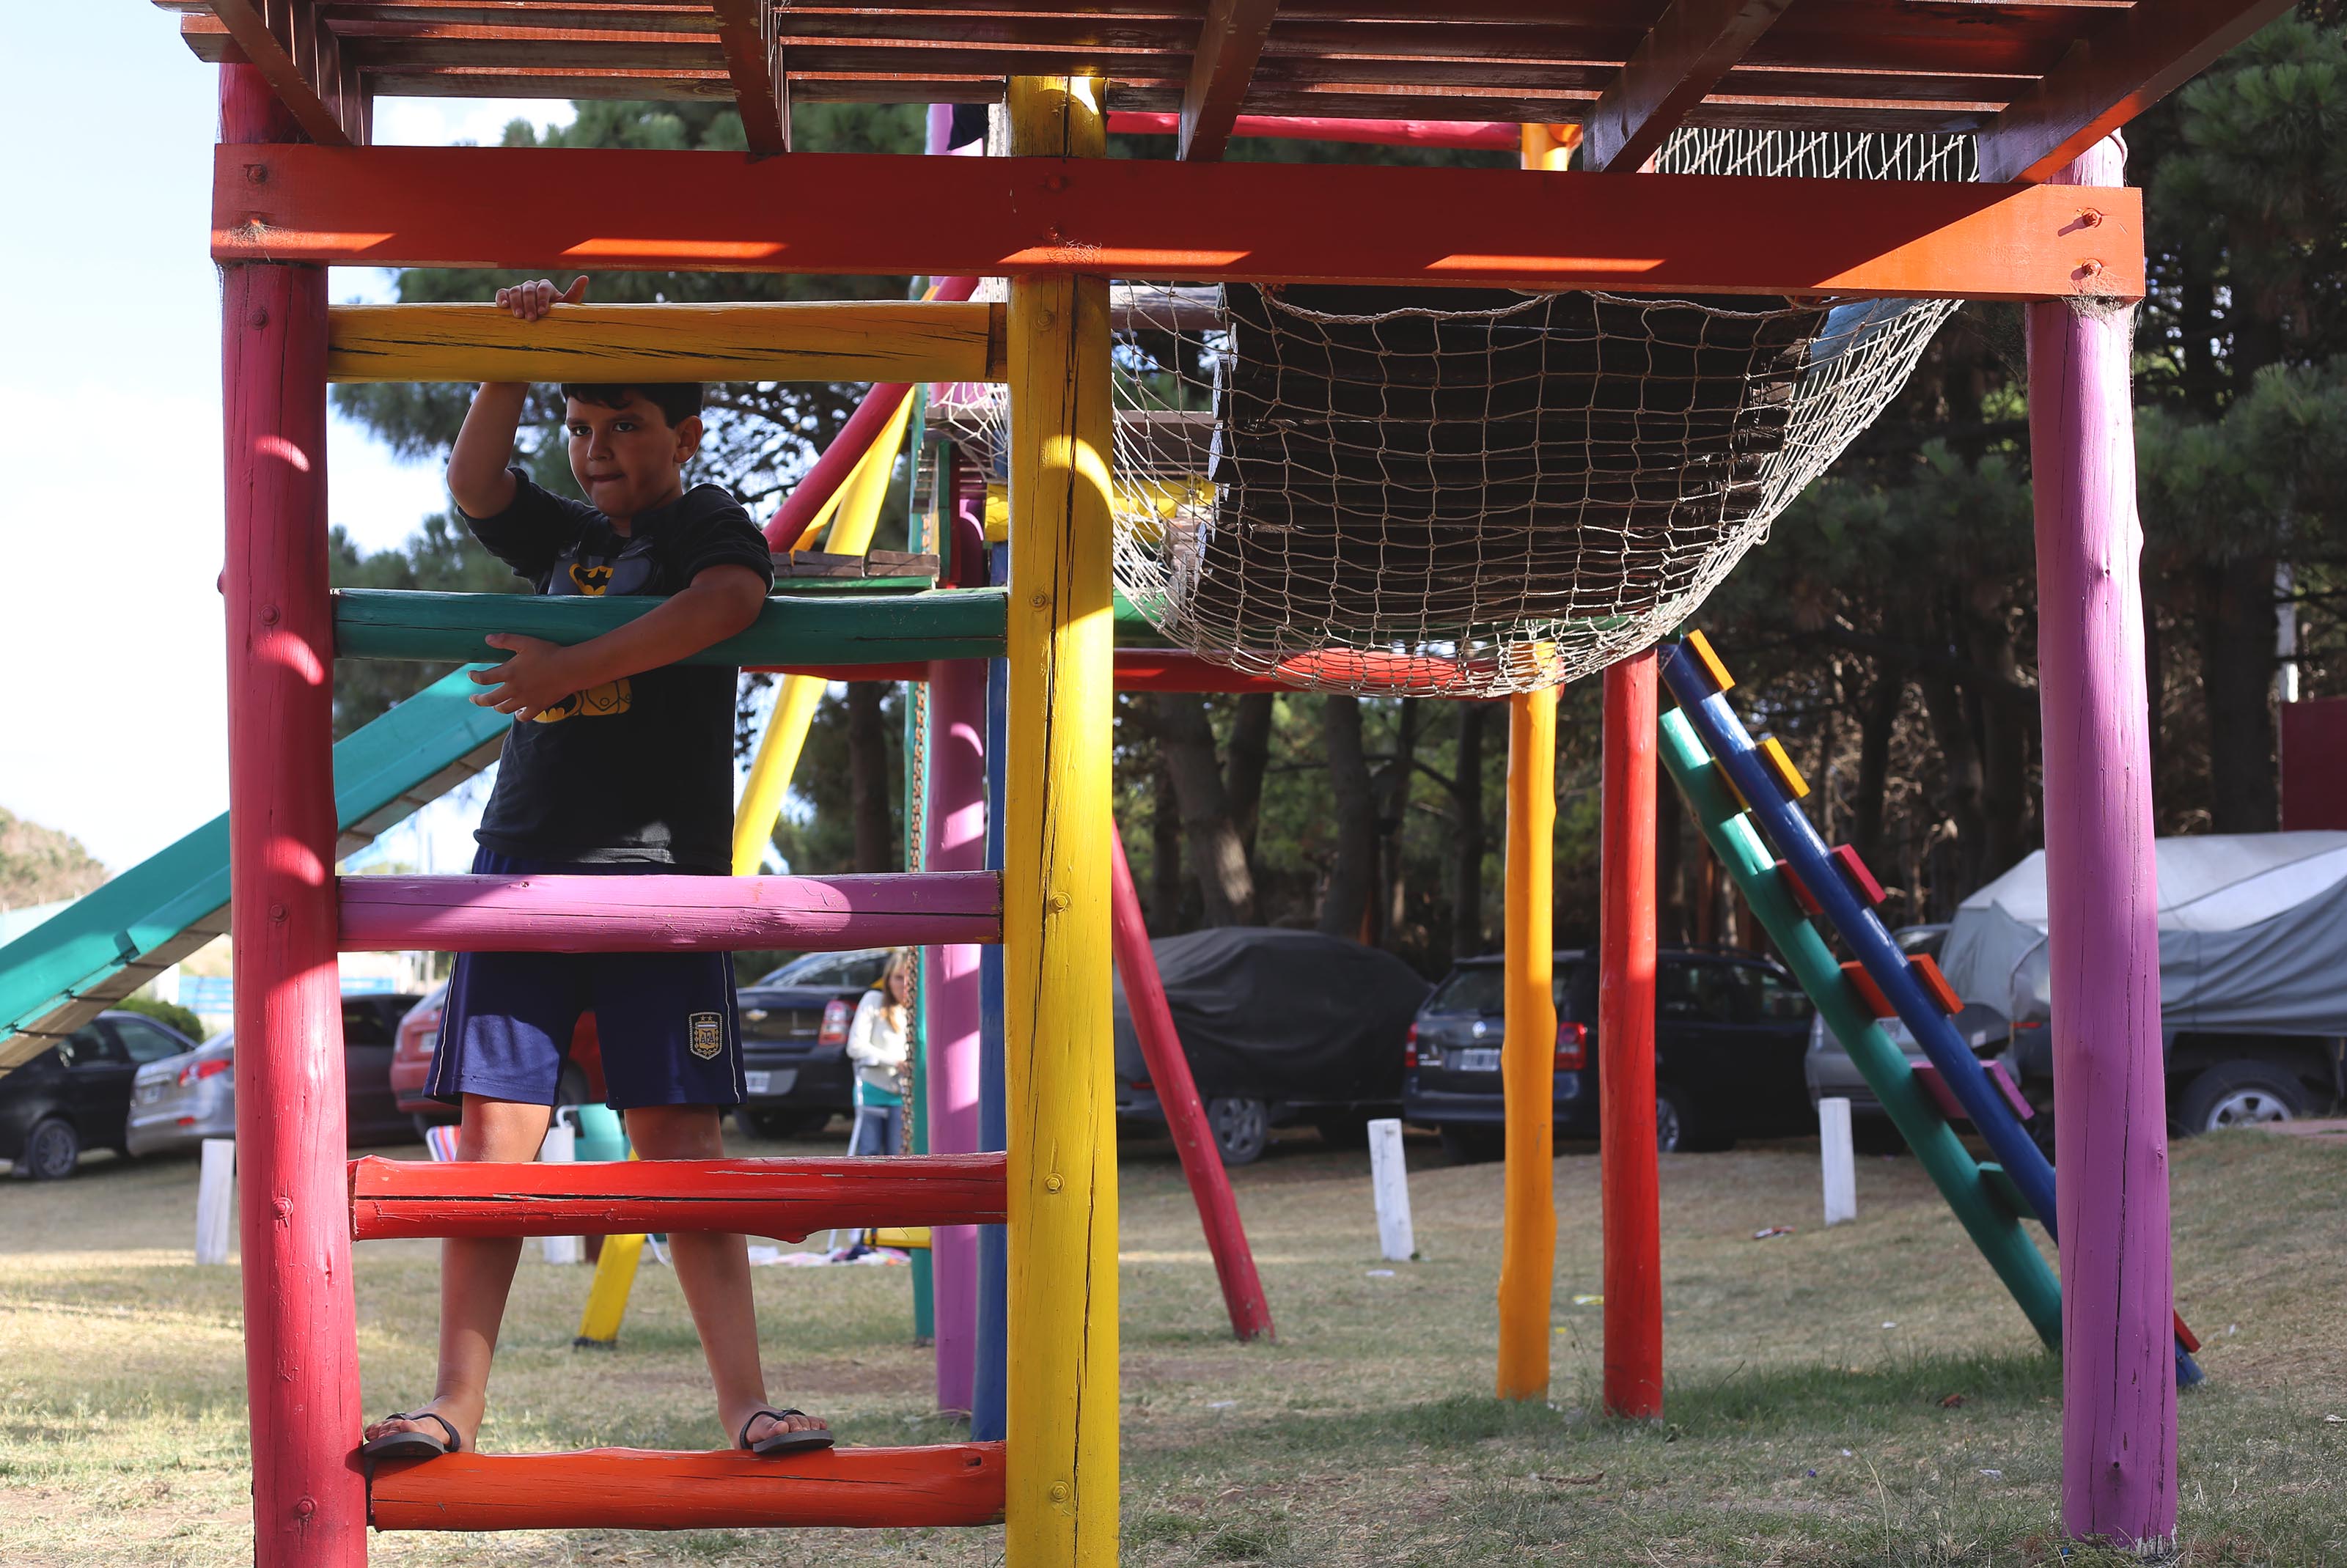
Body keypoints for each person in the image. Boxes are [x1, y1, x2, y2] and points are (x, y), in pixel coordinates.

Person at [359, 276, 831, 1465]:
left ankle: (745, 1400)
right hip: (521, 866)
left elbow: (730, 599)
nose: (596, 447)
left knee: (680, 1139)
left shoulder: (703, 519)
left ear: (687, 435)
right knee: (496, 1142)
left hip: (658, 875)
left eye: (624, 423)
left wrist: (569, 670)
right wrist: (512, 356)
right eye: (578, 426)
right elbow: (475, 483)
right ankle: (454, 1402)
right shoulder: (567, 537)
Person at [845, 950, 917, 1156]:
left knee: (898, 1154)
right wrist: (895, 1062)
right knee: (870, 1153)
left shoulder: (919, 1011)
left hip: (905, 1095)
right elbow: (855, 1046)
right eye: (898, 977)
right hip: (873, 1090)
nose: (904, 984)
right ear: (888, 979)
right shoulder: (874, 1001)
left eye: (909, 977)